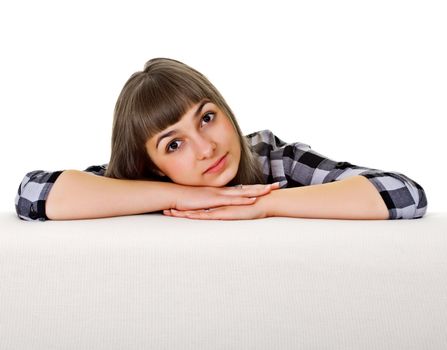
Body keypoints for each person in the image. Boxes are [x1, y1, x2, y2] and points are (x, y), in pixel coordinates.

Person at [15, 58, 428, 221]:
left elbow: (404, 194)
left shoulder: (272, 158)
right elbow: (32, 194)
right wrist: (176, 197)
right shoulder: (142, 184)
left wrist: (262, 204)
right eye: (173, 144)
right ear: (153, 166)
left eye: (207, 118)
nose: (206, 148)